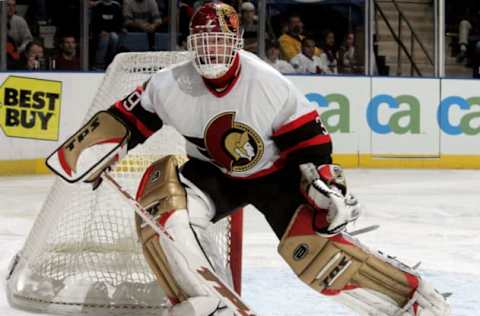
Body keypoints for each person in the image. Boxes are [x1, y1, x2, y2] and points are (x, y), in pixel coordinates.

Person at [51, 3, 450, 316]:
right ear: (191, 43)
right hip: (211, 174)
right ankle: (205, 301)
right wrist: (101, 151)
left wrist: (327, 185)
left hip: (275, 175)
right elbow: (127, 119)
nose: (211, 50)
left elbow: (310, 146)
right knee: (163, 215)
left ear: (237, 40)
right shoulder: (168, 83)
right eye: (203, 42)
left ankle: (410, 296)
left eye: (219, 41)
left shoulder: (267, 83)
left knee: (317, 254)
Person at [91, 0, 123, 69]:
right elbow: (94, 22)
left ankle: (111, 64)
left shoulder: (116, 5)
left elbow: (119, 21)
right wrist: (100, 31)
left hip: (112, 31)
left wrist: (114, 30)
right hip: (99, 32)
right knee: (105, 38)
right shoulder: (97, 5)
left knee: (114, 37)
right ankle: (99, 65)